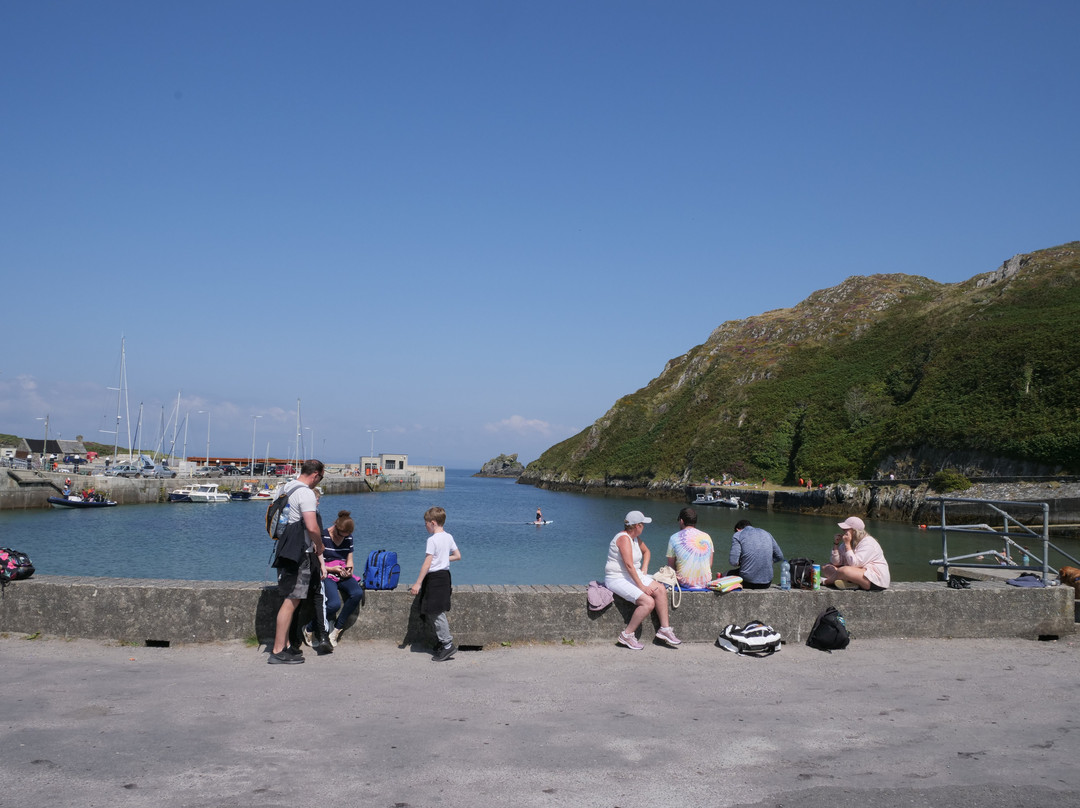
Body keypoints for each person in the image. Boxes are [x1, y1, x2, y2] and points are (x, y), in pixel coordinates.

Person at [269, 459, 327, 665]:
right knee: (291, 600)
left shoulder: (285, 488)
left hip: (284, 549)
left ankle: (284, 645)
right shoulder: (306, 493)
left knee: (290, 598)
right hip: (299, 553)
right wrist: (319, 546)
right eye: (320, 478)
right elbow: (312, 527)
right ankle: (277, 650)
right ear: (316, 475)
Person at [604, 510, 681, 650]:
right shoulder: (623, 538)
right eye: (643, 524)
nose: (644, 527)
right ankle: (626, 635)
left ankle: (665, 629)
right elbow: (628, 565)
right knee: (648, 602)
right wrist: (642, 586)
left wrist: (644, 569)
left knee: (661, 589)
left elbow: (647, 552)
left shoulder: (635, 539)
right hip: (617, 578)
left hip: (633, 575)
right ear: (637, 526)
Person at [409, 506, 461, 662]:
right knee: (433, 610)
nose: (425, 526)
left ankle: (447, 644)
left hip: (435, 579)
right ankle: (442, 642)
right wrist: (444, 558)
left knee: (436, 612)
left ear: (432, 523)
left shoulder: (432, 540)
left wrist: (418, 583)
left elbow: (427, 563)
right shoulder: (448, 537)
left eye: (426, 523)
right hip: (445, 576)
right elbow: (457, 556)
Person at [320, 509, 364, 646]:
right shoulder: (323, 536)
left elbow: (350, 559)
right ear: (335, 528)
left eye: (346, 536)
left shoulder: (348, 538)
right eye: (341, 535)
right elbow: (316, 562)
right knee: (334, 604)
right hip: (327, 573)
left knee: (357, 593)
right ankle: (310, 627)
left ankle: (337, 629)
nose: (343, 538)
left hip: (342, 574)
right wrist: (331, 569)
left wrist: (349, 571)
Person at [823, 516, 890, 590]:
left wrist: (847, 545)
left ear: (854, 531)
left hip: (875, 579)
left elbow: (854, 564)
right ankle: (851, 584)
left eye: (846, 529)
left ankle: (825, 582)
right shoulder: (849, 542)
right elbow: (836, 562)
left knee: (843, 571)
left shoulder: (868, 543)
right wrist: (836, 544)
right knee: (826, 567)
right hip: (859, 574)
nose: (843, 530)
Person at [665, 507, 714, 589]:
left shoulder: (674, 538)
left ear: (681, 521)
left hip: (684, 583)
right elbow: (710, 564)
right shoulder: (707, 537)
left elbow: (671, 567)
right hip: (705, 582)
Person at [728, 519, 785, 589]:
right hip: (767, 583)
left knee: (727, 574)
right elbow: (780, 556)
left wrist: (741, 562)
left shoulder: (738, 535)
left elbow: (733, 562)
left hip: (747, 582)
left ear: (738, 529)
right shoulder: (767, 533)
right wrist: (769, 561)